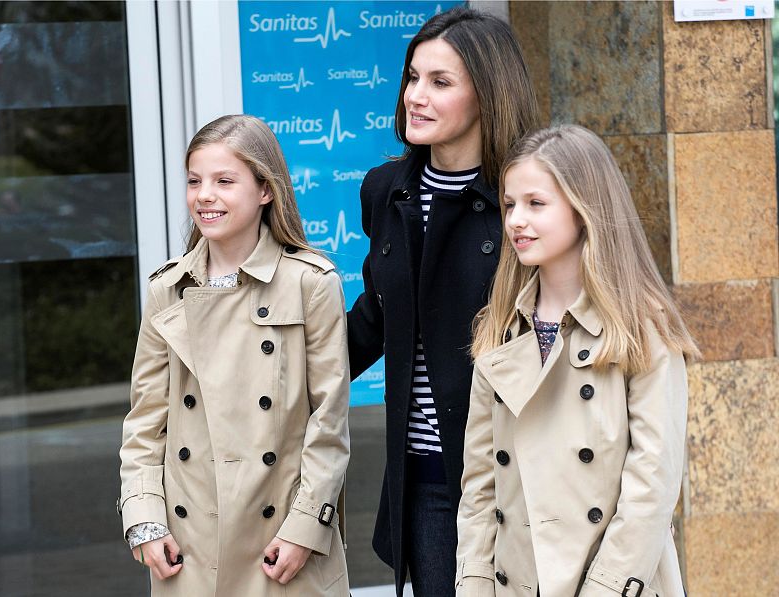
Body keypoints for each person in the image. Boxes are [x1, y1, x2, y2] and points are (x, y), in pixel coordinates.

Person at [457, 124, 698, 596]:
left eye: (536, 204)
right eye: (509, 205)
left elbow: (651, 488)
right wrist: (473, 584)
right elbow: (481, 490)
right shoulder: (501, 329)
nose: (516, 221)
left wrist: (604, 588)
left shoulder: (641, 330)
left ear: (584, 208)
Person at [347, 6, 539, 595]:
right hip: (426, 476)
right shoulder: (387, 190)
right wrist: (273, 375)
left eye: (439, 82)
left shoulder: (528, 194)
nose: (415, 97)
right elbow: (374, 321)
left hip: (520, 468)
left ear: (487, 94)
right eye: (411, 78)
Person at [118, 115, 350, 596]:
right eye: (194, 181)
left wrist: (306, 527)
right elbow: (145, 422)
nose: (204, 195)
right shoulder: (168, 289)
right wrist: (145, 519)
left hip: (280, 544)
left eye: (224, 181)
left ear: (266, 190)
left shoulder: (311, 282)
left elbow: (329, 423)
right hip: (189, 545)